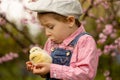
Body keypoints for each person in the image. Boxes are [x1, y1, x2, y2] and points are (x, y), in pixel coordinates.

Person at [26, 0, 99, 80]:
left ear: (70, 21)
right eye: (44, 27)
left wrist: (51, 69)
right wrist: (40, 67)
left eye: (50, 27)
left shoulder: (84, 41)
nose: (47, 33)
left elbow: (86, 74)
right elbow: (48, 72)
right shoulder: (50, 42)